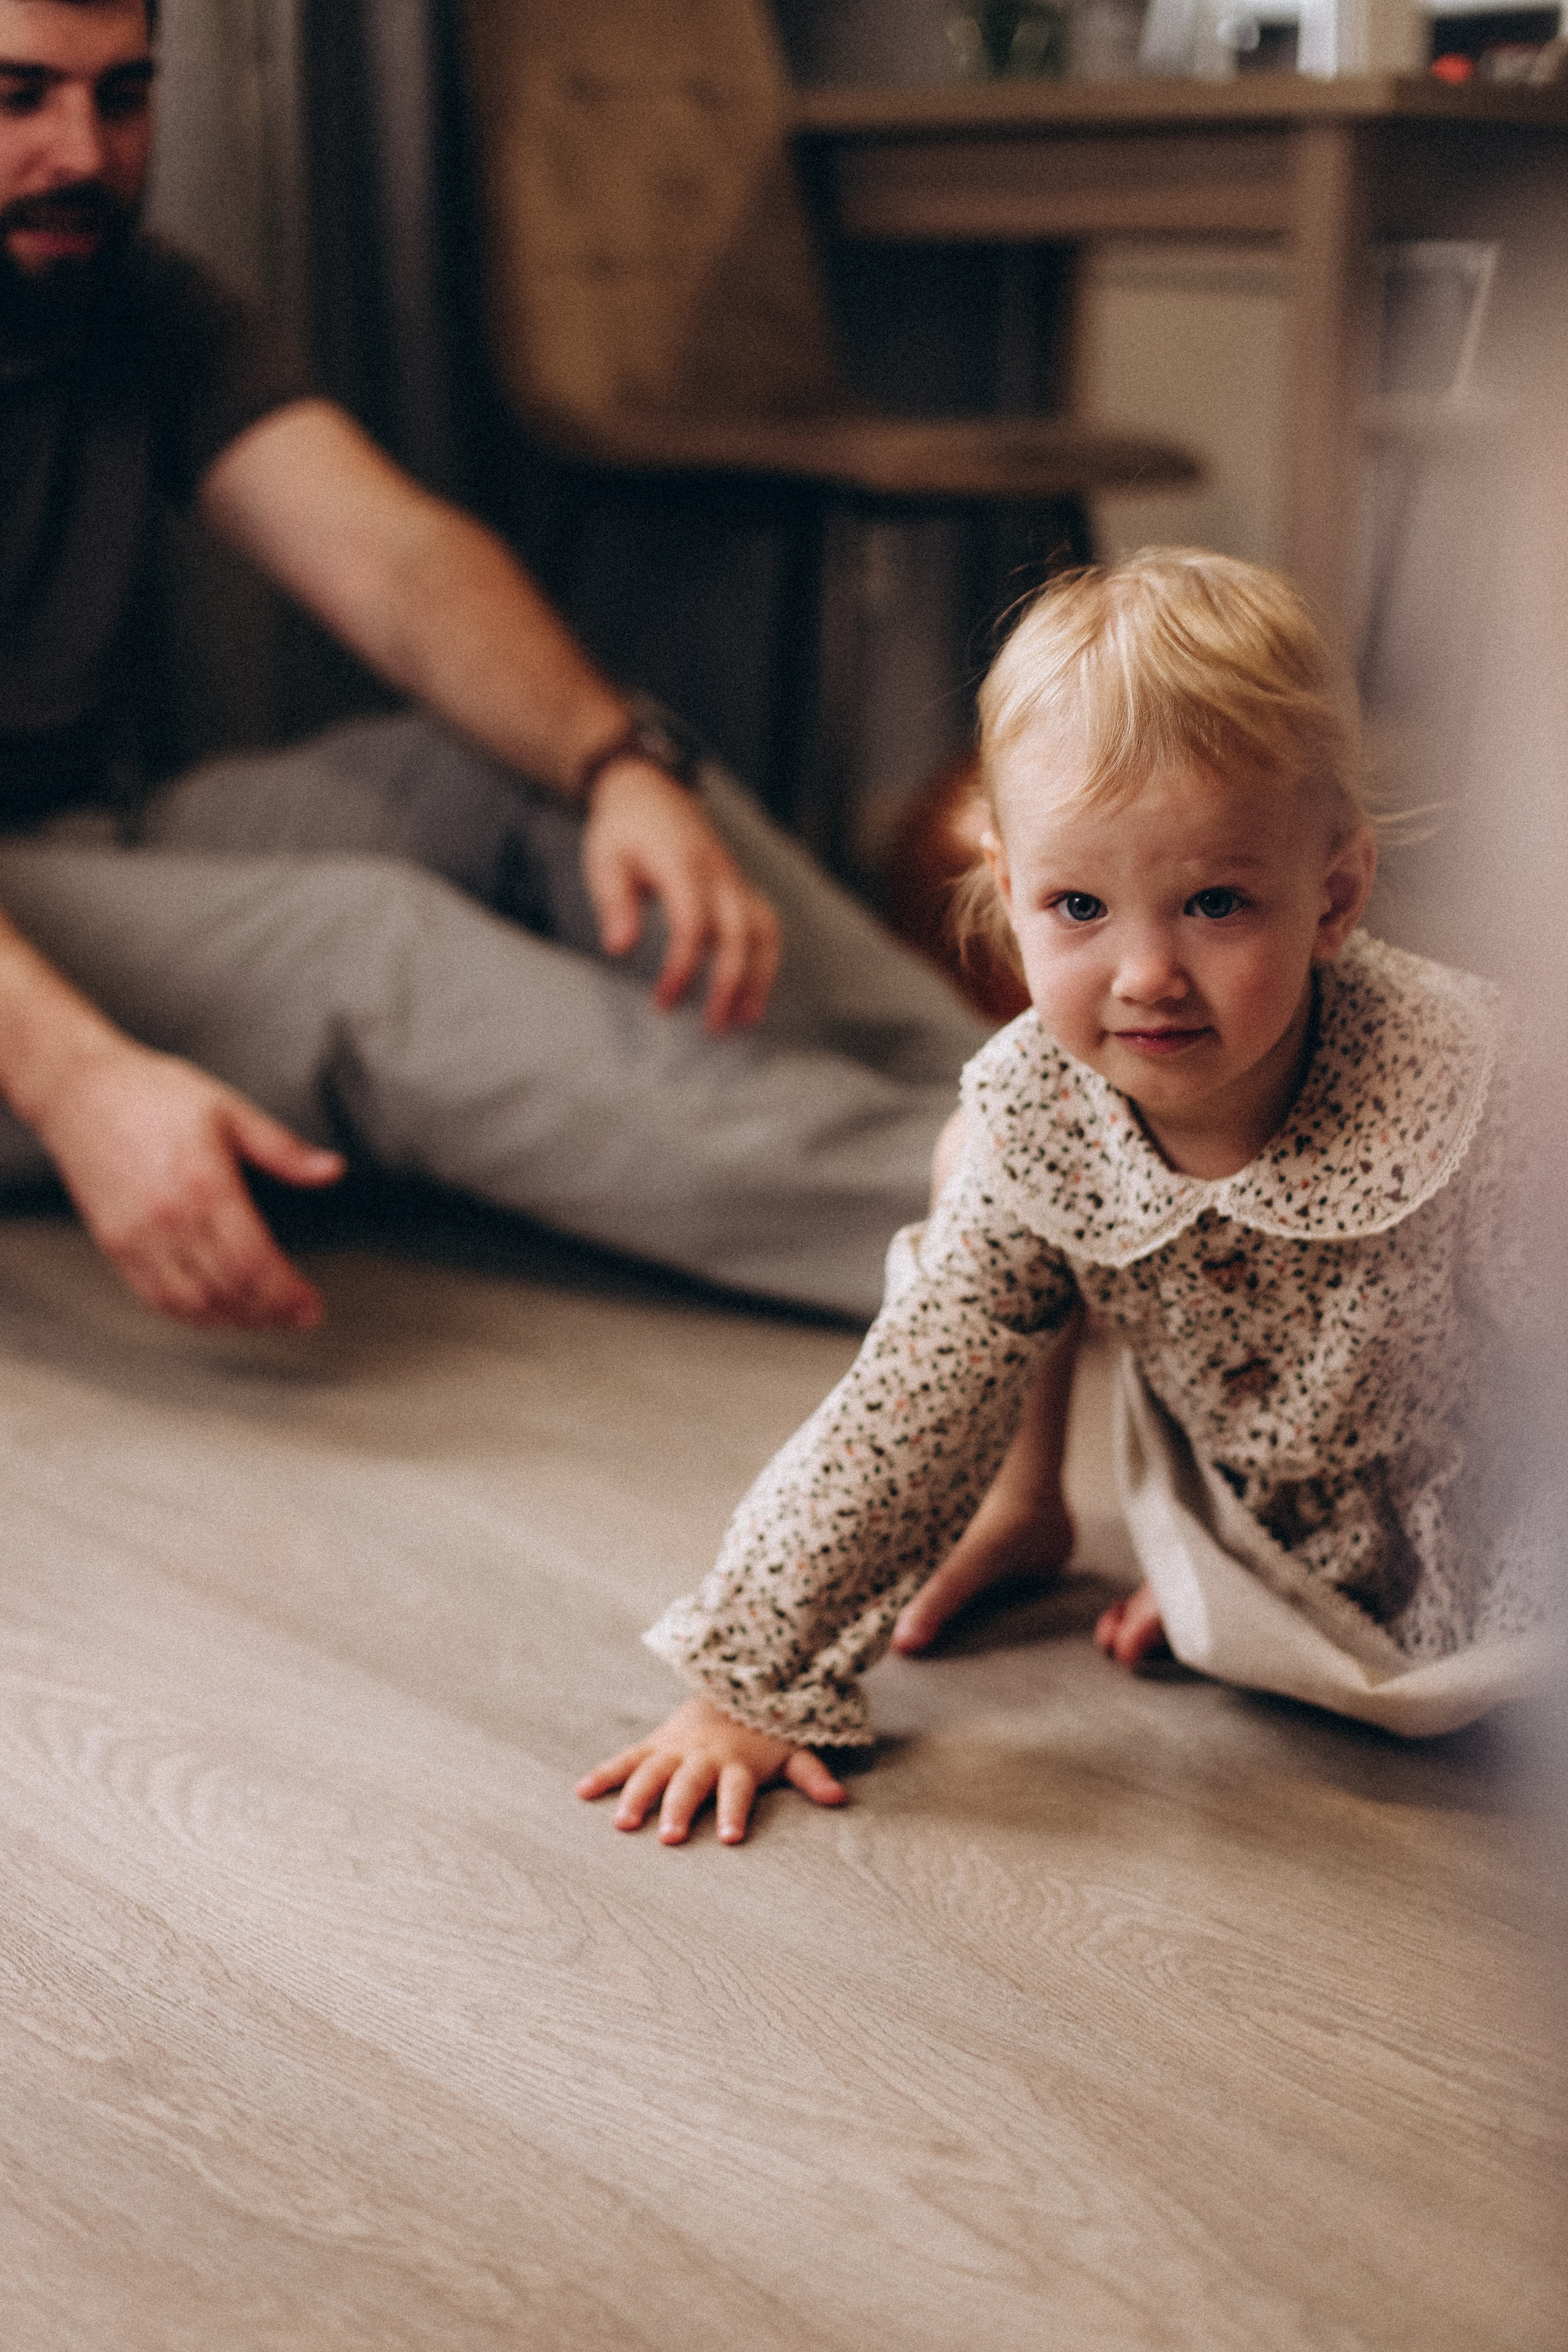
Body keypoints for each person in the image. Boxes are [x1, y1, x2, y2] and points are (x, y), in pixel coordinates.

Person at [0, 0, 988, 1330]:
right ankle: (1041, 1223)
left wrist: (615, 764)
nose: (80, 149)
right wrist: (77, 1083)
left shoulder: (131, 300)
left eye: (121, 96)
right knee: (364, 947)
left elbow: (394, 562)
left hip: (84, 832)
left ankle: (1057, 1099)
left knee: (547, 761)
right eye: (18, 96)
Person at [581, 548, 1558, 1847]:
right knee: (970, 1173)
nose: (1145, 971)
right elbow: (903, 1406)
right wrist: (749, 1680)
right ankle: (1034, 1516)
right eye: (1078, 907)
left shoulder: (1458, 1081)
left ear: (1332, 896)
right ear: (1007, 888)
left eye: (1215, 903)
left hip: (1492, 1496)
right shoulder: (1041, 1106)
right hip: (1258, 1503)